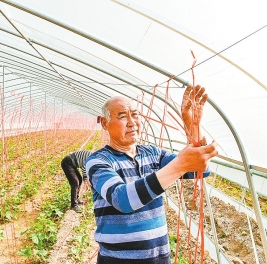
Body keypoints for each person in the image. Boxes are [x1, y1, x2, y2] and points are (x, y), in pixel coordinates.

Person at [86, 85, 218, 263]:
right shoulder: (98, 161)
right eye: (123, 116)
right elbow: (123, 200)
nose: (132, 122)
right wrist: (179, 165)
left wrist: (193, 126)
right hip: (118, 259)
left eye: (135, 114)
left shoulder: (153, 154)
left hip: (159, 257)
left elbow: (198, 170)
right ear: (105, 123)